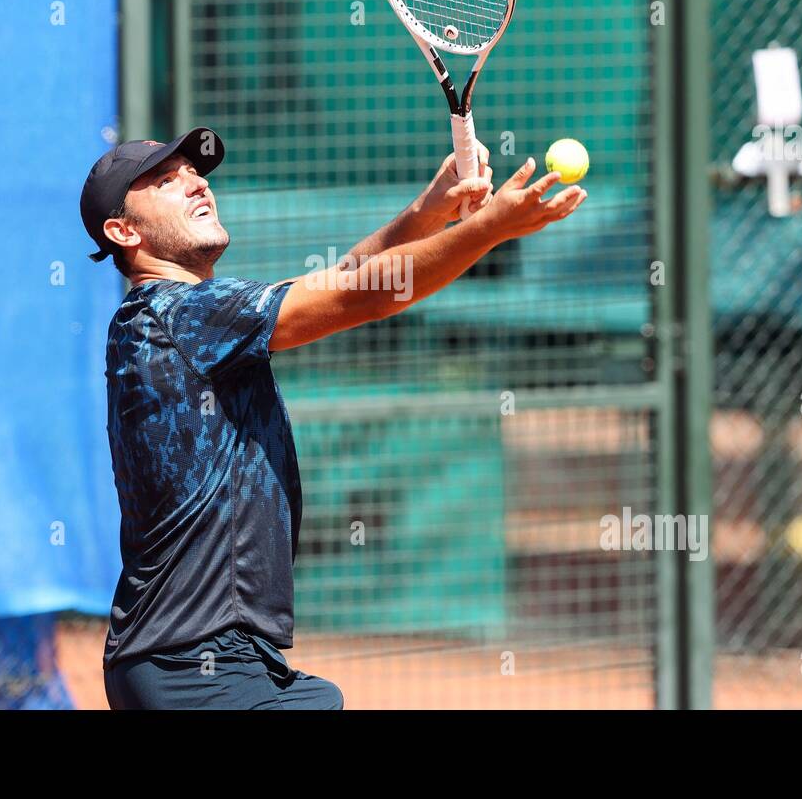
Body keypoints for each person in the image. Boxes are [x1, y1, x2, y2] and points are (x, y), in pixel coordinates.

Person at [80, 127, 586, 709]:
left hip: (212, 663)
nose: (196, 184)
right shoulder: (174, 315)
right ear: (124, 231)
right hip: (192, 666)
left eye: (195, 173)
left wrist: (430, 210)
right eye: (166, 182)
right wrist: (490, 227)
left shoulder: (196, 319)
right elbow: (364, 294)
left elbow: (346, 274)